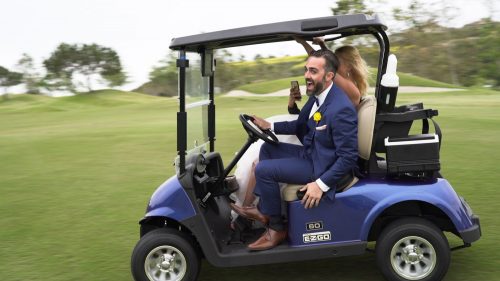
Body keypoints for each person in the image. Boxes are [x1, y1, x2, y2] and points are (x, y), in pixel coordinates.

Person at [231, 49, 358, 251]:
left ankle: (276, 228)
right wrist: (270, 126)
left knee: (264, 170)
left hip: (321, 167)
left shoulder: (340, 108)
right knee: (268, 148)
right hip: (311, 154)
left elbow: (348, 157)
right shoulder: (317, 97)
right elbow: (300, 125)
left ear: (329, 76)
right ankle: (264, 210)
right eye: (306, 70)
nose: (307, 75)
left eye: (313, 71)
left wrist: (321, 184)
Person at [289, 37, 369, 114]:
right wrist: (321, 44)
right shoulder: (344, 83)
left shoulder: (350, 88)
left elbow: (321, 60)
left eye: (337, 62)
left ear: (349, 66)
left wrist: (303, 42)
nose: (334, 64)